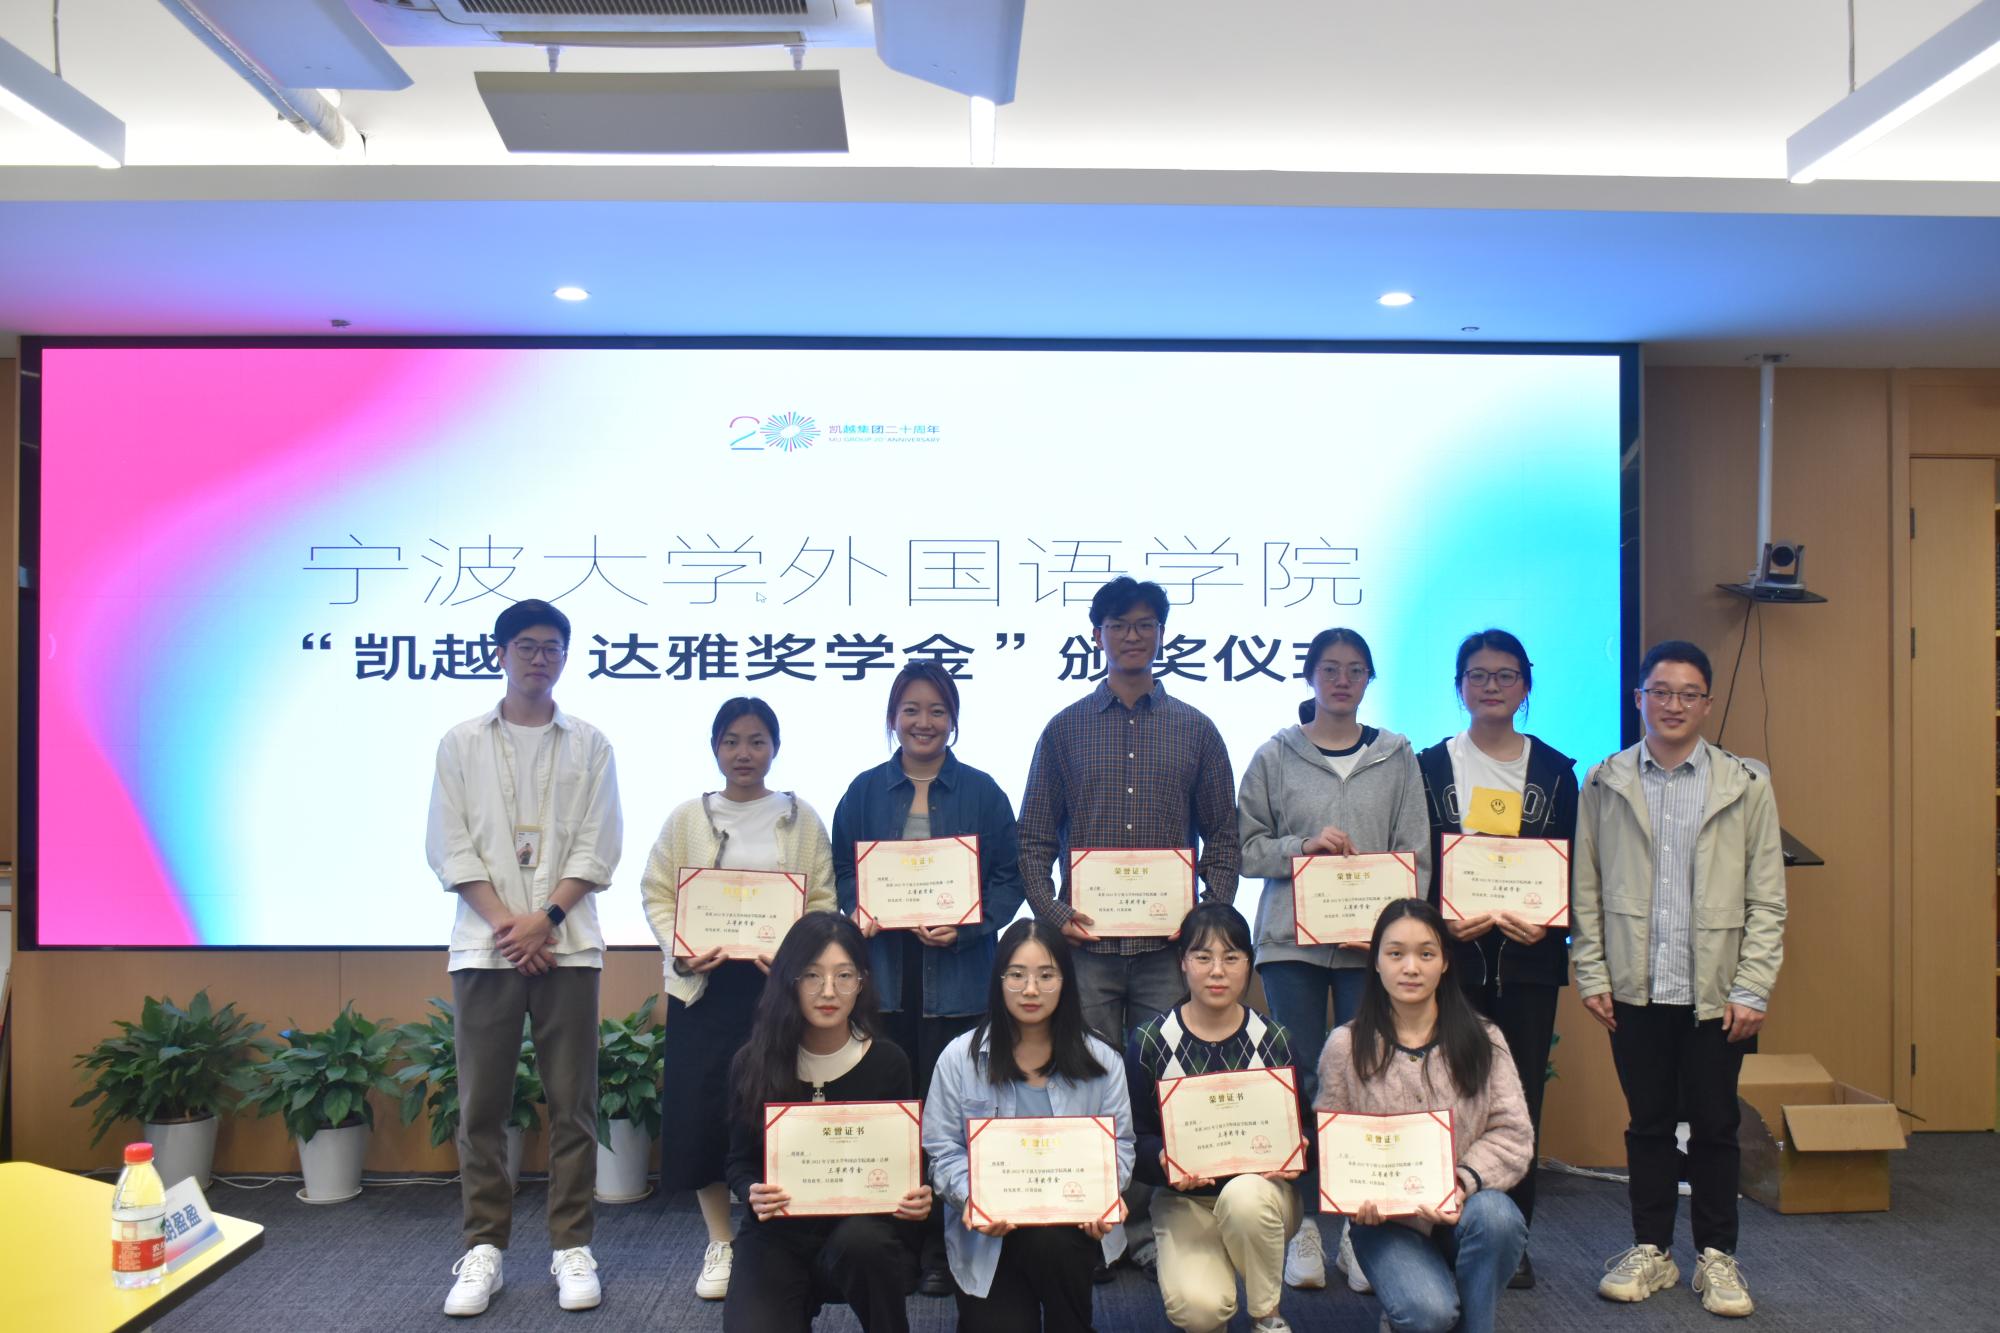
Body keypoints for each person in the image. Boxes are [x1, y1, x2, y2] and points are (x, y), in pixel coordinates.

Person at [1018, 576, 1239, 1270]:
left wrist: (1204, 923)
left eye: (1145, 624)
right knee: (1081, 1079)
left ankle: (1148, 1221)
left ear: (1162, 634)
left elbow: (1224, 838)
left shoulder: (1197, 728)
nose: (1133, 636)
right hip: (1085, 952)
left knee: (1161, 1084)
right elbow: (1033, 840)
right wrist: (1056, 915)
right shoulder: (1064, 729)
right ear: (1098, 635)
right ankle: (1081, 1215)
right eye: (1119, 625)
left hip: (1166, 953)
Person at [1571, 639, 1786, 1319]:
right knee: (1649, 1124)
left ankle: (1717, 1256)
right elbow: (1585, 887)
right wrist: (1591, 971)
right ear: (1639, 698)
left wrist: (1753, 986)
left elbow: (1768, 898)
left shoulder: (1745, 784)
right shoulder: (1604, 782)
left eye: (1688, 694)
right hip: (1634, 987)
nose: (1673, 704)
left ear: (1707, 704)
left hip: (1716, 993)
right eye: (1660, 691)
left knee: (1717, 1124)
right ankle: (1653, 1249)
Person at [426, 599, 623, 1317]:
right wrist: (511, 927)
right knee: (482, 1106)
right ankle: (484, 1247)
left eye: (552, 647)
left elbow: (599, 844)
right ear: (500, 654)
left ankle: (572, 1245)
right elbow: (449, 845)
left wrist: (546, 921)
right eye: (527, 646)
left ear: (565, 656)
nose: (540, 658)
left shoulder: (591, 743)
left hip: (568, 945)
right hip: (485, 949)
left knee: (573, 1105)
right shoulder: (460, 743)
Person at [1237, 626, 1428, 1292]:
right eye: (1329, 668)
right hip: (1290, 943)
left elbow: (1416, 855)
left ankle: (1356, 1229)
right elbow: (1246, 849)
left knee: (1365, 1081)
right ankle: (1303, 1229)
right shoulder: (1274, 755)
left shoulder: (1396, 756)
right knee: (1296, 1080)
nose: (1342, 680)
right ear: (1310, 676)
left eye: (1354, 670)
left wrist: (1391, 934)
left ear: (1369, 679)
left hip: (1369, 951)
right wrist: (1302, 846)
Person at [832, 661, 1027, 1295]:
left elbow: (1010, 878)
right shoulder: (864, 791)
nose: (924, 722)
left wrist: (969, 927)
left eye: (937, 710)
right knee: (894, 1112)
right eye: (911, 709)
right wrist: (860, 907)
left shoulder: (982, 792)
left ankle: (947, 1246)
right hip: (886, 980)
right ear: (894, 717)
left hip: (960, 979)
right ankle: (896, 1243)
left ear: (953, 719)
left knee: (956, 1114)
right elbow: (842, 870)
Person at [639, 697, 837, 1302]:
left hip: (778, 989)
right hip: (704, 989)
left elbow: (823, 898)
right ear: (715, 749)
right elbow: (657, 891)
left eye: (756, 741)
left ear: (774, 747)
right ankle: (720, 1241)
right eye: (731, 741)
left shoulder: (801, 818)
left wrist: (796, 955)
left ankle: (777, 1233)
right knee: (704, 1112)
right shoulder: (686, 818)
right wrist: (680, 949)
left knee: (778, 1106)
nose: (744, 753)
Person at [1414, 628, 1578, 1290]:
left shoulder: (1557, 772)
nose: (1491, 686)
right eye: (1477, 675)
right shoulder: (1428, 767)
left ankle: (1513, 1239)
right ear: (1459, 687)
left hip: (1528, 965)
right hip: (1450, 964)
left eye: (1505, 675)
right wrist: (1439, 922)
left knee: (1520, 1101)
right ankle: (1441, 1231)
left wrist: (1552, 921)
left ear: (1525, 685)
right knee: (1443, 1095)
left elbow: (1573, 864)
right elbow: (1417, 861)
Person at [1315, 898, 1532, 1333]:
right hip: (1386, 1225)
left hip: (1464, 1212)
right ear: (1377, 962)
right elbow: (1332, 1145)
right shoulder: (1345, 1046)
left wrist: (1460, 1184)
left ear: (1445, 962)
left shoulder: (1484, 1039)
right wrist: (1357, 1197)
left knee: (1499, 1217)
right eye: (1396, 953)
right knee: (1428, 1313)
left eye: (1426, 954)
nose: (1411, 967)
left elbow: (1513, 1134)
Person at [722, 913, 932, 1332]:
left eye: (844, 975)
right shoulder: (753, 1062)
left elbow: (903, 1164)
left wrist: (917, 1194)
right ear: (790, 981)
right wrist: (751, 1191)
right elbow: (739, 1162)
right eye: (812, 976)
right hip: (777, 1233)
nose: (829, 991)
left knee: (866, 1244)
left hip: (859, 1231)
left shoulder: (888, 1062)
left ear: (862, 982)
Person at [922, 920, 1136, 1331]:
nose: (1031, 989)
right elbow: (942, 1151)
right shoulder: (958, 1059)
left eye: (1046, 975)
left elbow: (1120, 1147)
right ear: (999, 981)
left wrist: (1105, 1194)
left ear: (1066, 981)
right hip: (988, 1235)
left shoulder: (1103, 1060)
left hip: (1068, 1229)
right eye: (1017, 975)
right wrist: (974, 1199)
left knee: (1054, 1244)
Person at [1126, 903, 1311, 1333]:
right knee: (1200, 1313)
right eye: (1203, 956)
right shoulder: (1150, 1041)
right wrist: (1164, 1161)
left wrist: (1301, 1148)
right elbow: (1137, 1138)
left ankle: (1266, 1314)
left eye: (1231, 957)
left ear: (1249, 963)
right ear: (1183, 963)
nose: (1217, 971)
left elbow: (1306, 1128)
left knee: (1244, 1198)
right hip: (1185, 1200)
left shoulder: (1274, 1040)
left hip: (1263, 1196)